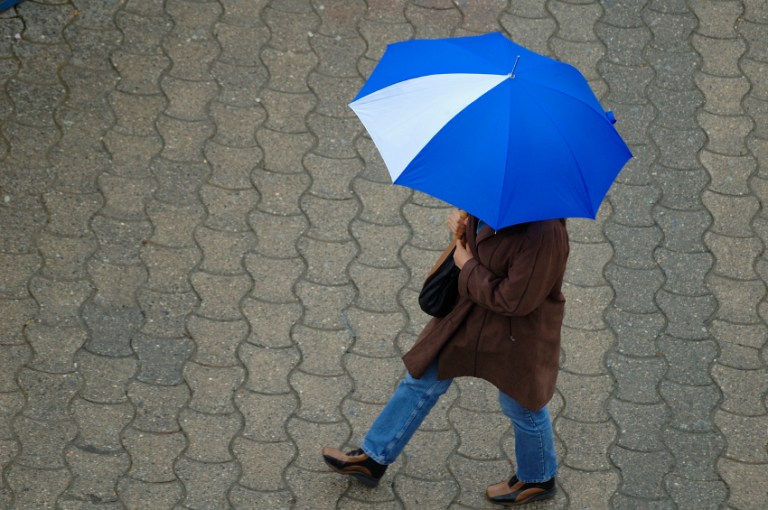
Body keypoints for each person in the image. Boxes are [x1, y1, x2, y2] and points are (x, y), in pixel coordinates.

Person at [322, 209, 569, 507]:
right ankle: (374, 457)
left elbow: (514, 300)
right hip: (469, 313)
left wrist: (466, 266)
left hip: (517, 335)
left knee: (521, 404)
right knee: (422, 377)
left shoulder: (544, 235)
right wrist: (463, 227)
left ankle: (538, 477)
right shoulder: (488, 198)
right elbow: (482, 249)